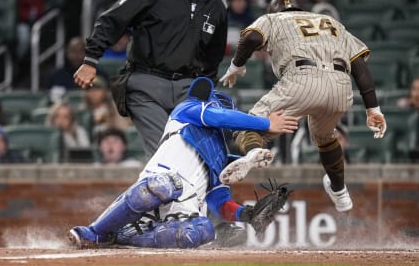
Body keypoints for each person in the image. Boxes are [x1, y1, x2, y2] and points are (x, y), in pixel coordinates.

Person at [68, 77, 298, 249]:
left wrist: (246, 214)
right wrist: (265, 123)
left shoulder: (221, 156)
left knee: (204, 230)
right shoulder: (187, 111)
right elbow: (218, 117)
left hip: (179, 214)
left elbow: (220, 202)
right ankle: (95, 232)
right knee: (163, 185)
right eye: (216, 103)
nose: (218, 108)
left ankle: (123, 236)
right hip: (156, 189)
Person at [219, 0, 387, 213]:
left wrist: (236, 66)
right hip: (340, 87)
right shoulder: (331, 22)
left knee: (246, 125)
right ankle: (340, 192)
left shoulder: (273, 18)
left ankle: (253, 152)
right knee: (326, 137)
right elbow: (359, 66)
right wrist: (373, 109)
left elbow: (250, 38)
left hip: (301, 79)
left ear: (273, 9)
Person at [73, 0, 228, 159]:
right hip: (146, 82)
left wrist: (206, 85)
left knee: (190, 154)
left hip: (187, 86)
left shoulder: (216, 4)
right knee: (164, 150)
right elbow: (111, 20)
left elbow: (214, 54)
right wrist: (91, 59)